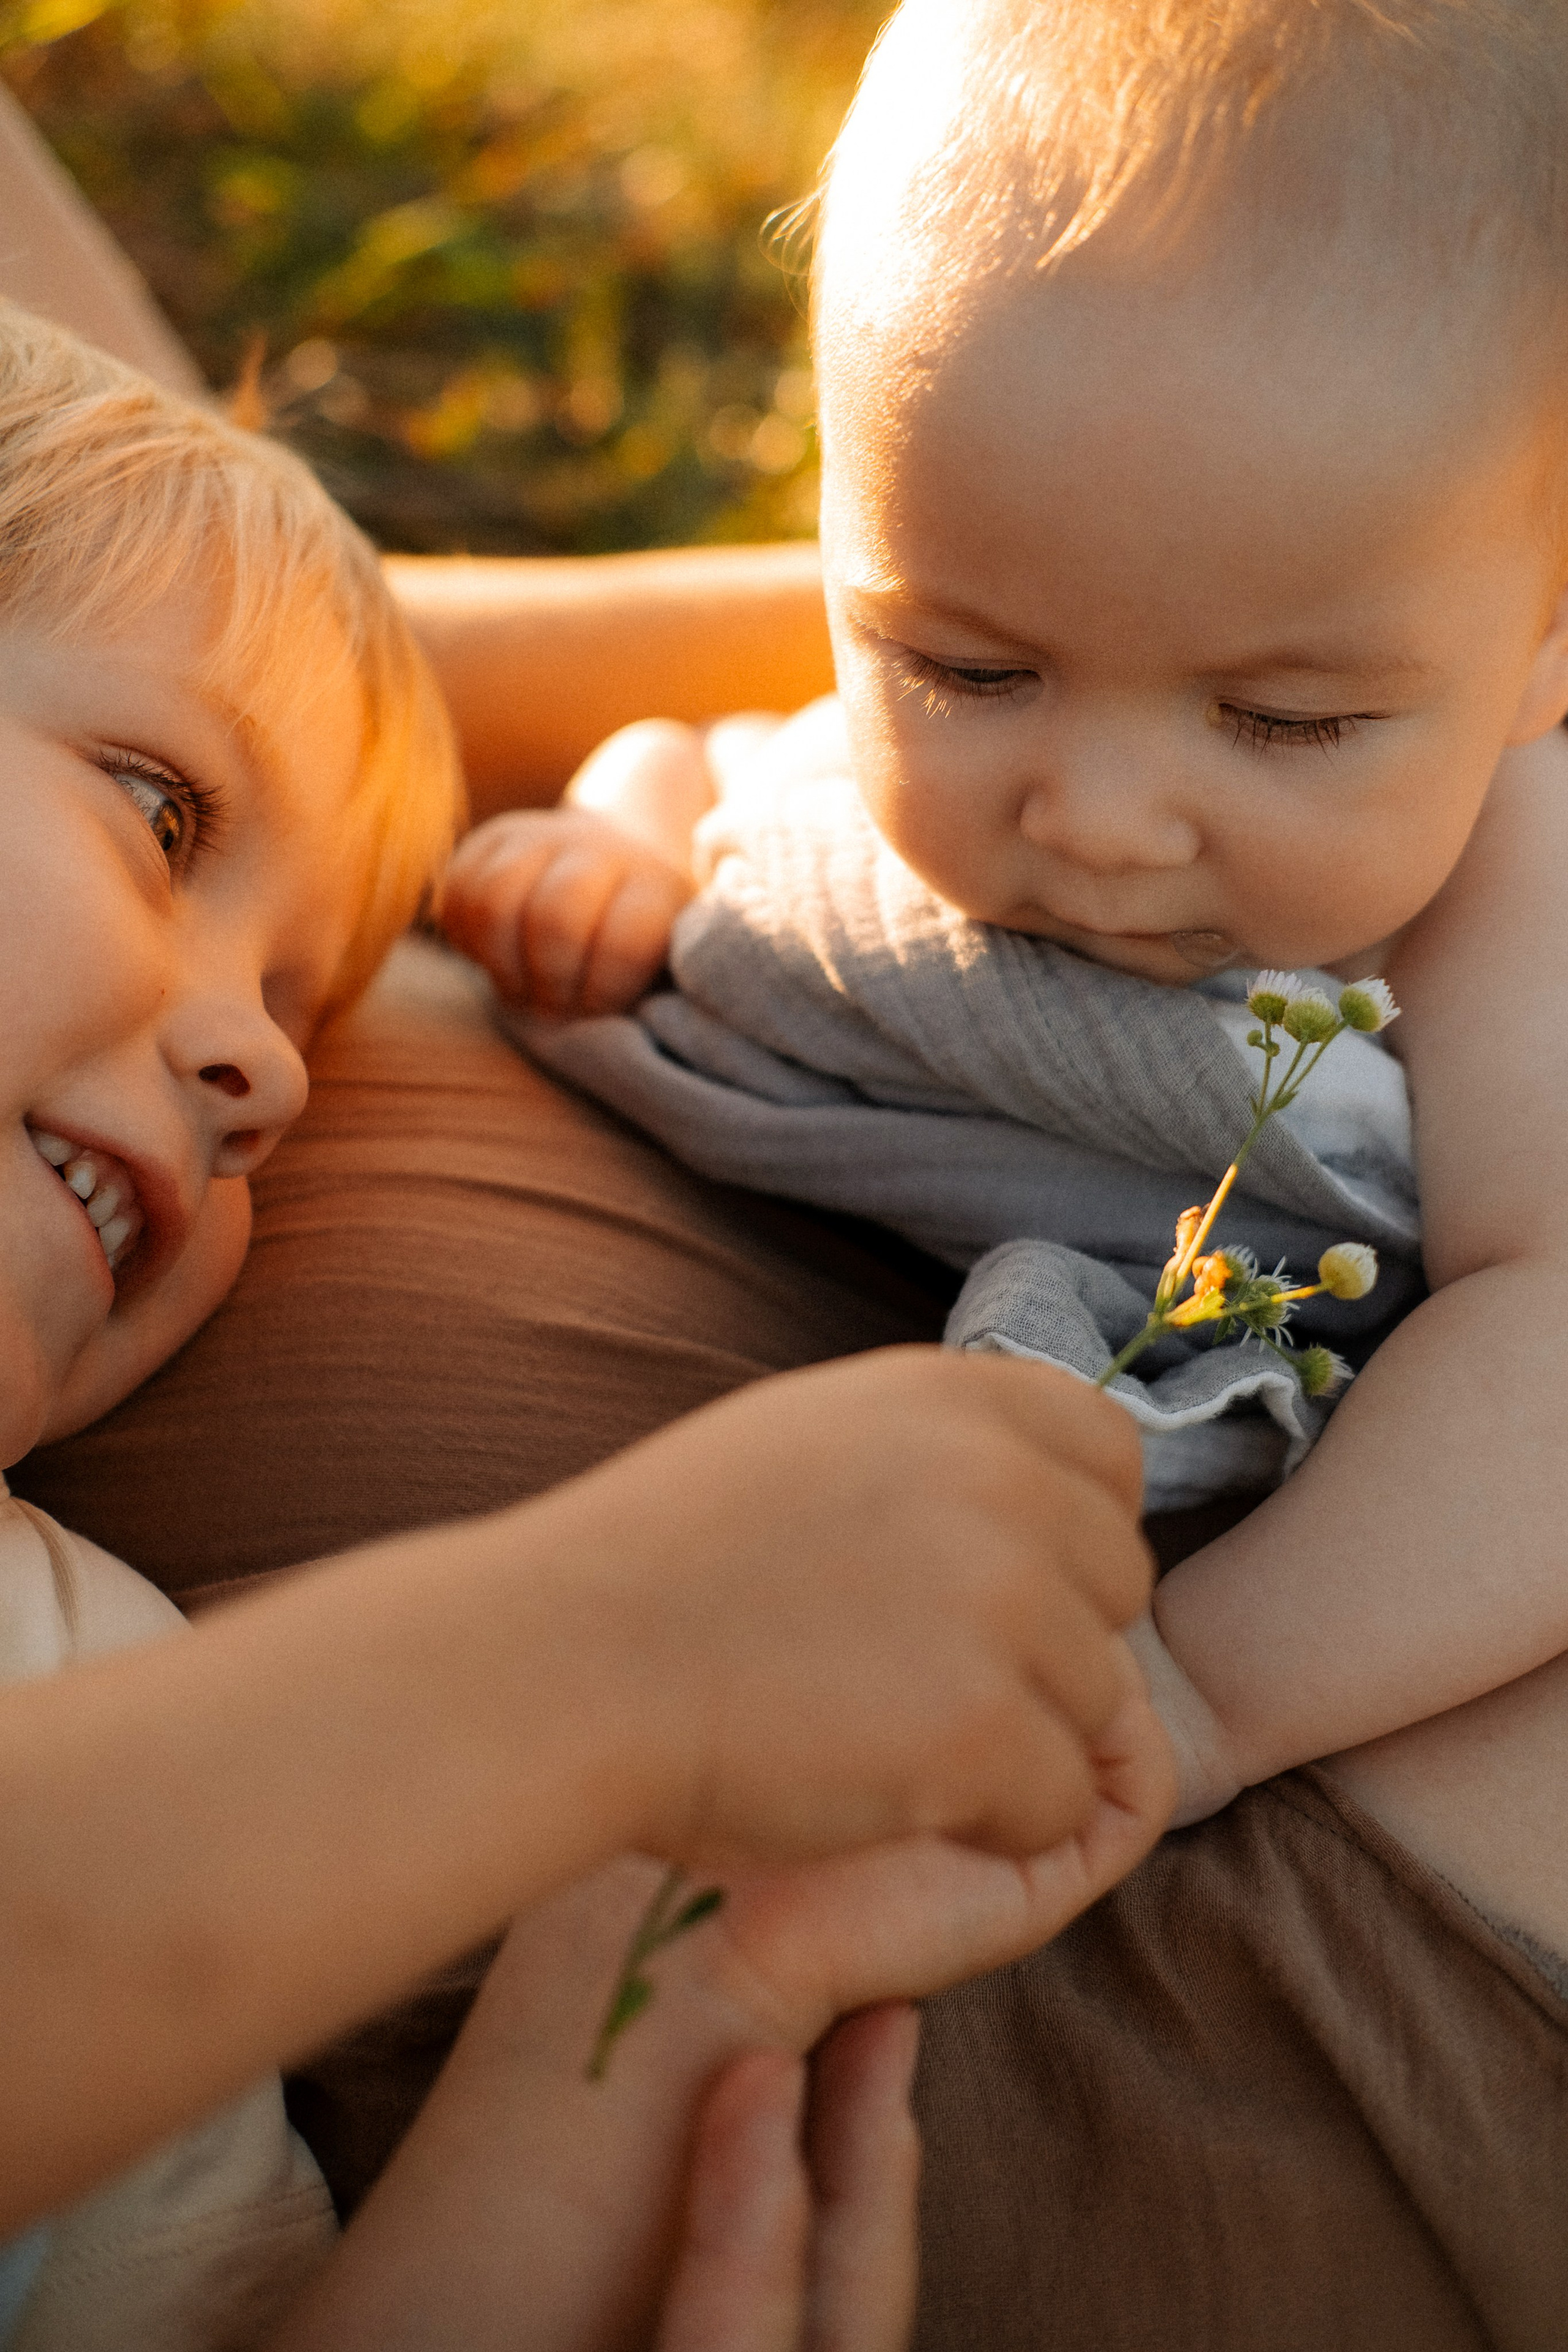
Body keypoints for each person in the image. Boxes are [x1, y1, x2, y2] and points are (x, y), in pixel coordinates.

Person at [439, 0, 1568, 2335]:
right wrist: (613, 847)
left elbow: (1557, 1338)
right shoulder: (1033, 631)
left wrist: (1209, 1697)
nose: (1097, 817)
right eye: (960, 664)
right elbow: (752, 794)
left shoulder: (1510, 882)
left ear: (1547, 641)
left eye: (1284, 720)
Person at [0, 295, 1174, 2348]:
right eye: (165, 813)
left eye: (302, 1008)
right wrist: (618, 1654)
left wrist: (641, 1964)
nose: (267, 1079)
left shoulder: (87, 1653)